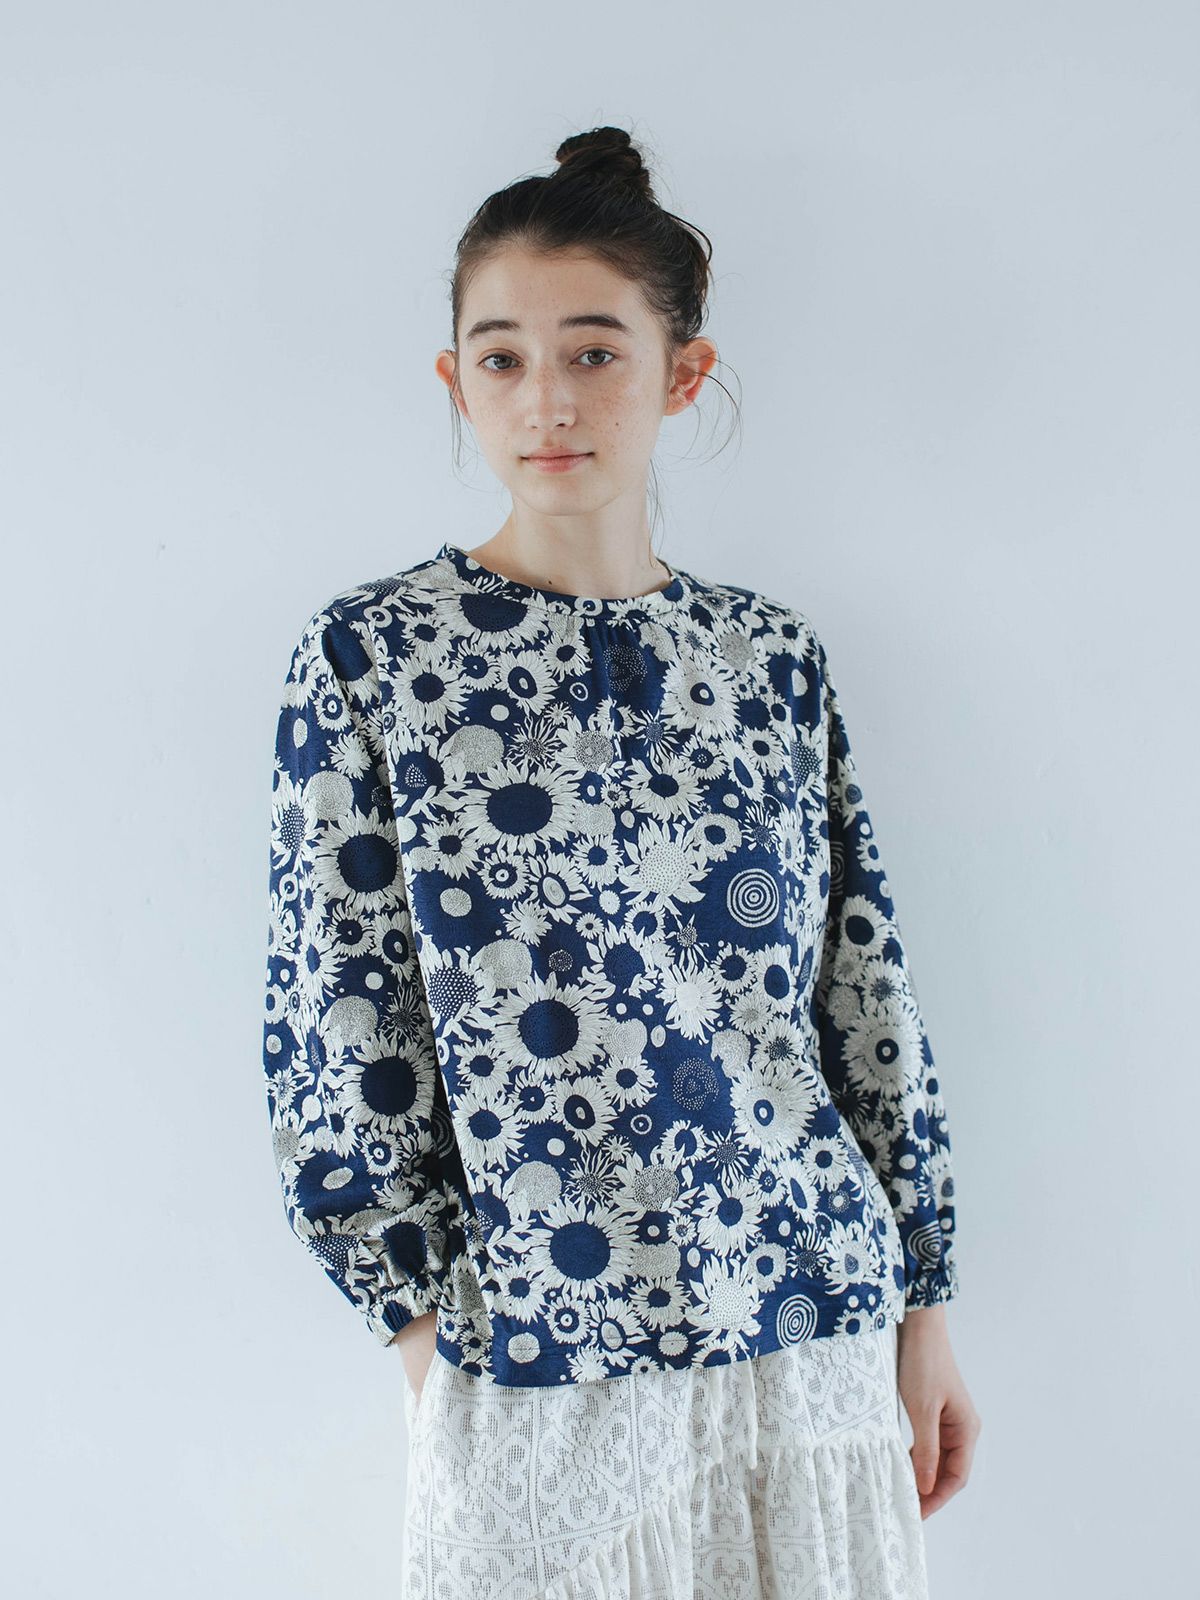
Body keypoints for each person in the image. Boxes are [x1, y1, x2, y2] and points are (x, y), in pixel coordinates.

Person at [262, 124, 981, 1599]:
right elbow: (337, 1016)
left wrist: (924, 1307)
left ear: (682, 374)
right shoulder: (372, 657)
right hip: (536, 1347)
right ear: (456, 381)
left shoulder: (770, 659)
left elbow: (861, 988)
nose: (548, 399)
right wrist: (426, 1332)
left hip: (810, 1324)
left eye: (594, 352)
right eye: (504, 358)